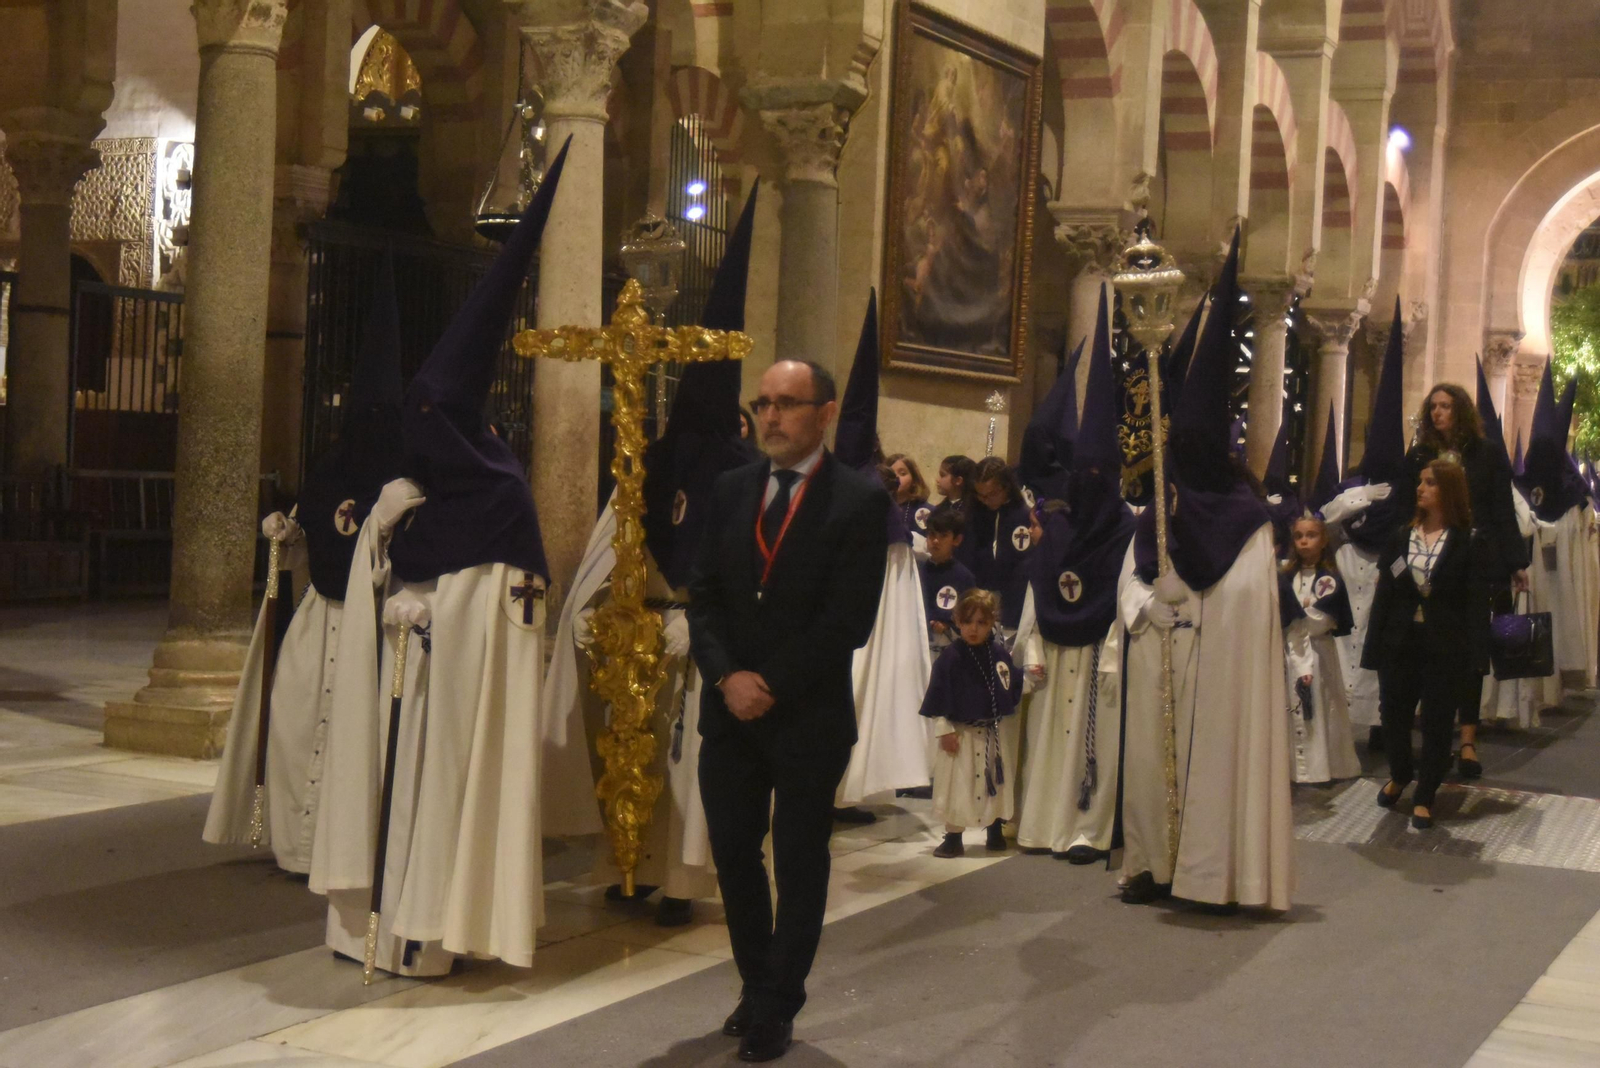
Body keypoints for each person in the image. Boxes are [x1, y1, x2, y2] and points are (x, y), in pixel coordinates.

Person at [311, 141, 588, 976]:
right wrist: (379, 539)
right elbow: (380, 572)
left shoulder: (501, 499)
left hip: (449, 705)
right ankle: (363, 925)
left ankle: (431, 935)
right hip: (402, 687)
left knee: (437, 809)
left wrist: (432, 613)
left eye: (433, 413)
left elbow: (498, 627)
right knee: (385, 796)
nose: (418, 426)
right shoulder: (420, 483)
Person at [558, 185, 764, 926]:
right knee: (628, 753)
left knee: (683, 763)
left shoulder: (743, 475)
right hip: (642, 626)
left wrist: (701, 618)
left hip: (696, 632)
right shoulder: (656, 453)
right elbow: (624, 526)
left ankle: (678, 883)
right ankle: (627, 869)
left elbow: (746, 566)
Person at [688, 359, 889, 1062]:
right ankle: (755, 982)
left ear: (825, 413)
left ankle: (780, 1003)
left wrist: (766, 681)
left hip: (807, 715)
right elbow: (703, 598)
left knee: (800, 861)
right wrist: (725, 678)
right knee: (736, 856)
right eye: (763, 403)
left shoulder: (859, 502)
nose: (770, 417)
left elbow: (847, 622)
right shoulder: (731, 489)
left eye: (788, 404)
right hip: (730, 716)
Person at [1114, 230, 1292, 912]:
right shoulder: (1164, 505)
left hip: (1215, 679)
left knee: (1209, 767)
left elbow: (1246, 609)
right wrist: (1144, 604)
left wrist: (1193, 609)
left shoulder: (1247, 521)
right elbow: (1131, 568)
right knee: (1150, 773)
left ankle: (1210, 871)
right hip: (1160, 656)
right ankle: (1153, 864)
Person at [205, 259, 404, 872]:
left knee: (352, 744)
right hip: (319, 620)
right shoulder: (330, 466)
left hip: (372, 630)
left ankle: (340, 851)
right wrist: (286, 536)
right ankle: (293, 846)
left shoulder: (407, 479)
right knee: (293, 730)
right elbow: (311, 536)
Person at [1014, 294, 1134, 861]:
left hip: (1097, 658)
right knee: (1047, 742)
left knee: (1092, 741)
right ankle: (1041, 823)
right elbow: (1040, 587)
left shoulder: (1124, 533)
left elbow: (1127, 595)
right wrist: (1031, 645)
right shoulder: (1057, 529)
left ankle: (1087, 828)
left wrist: (1113, 650)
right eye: (1080, 473)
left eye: (1098, 474)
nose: (1087, 483)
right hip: (1056, 654)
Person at [832, 294, 934, 816]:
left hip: (872, 600)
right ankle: (839, 786)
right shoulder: (863, 484)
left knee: (864, 689)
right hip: (856, 603)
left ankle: (847, 785)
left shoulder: (855, 483)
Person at [1399, 380, 1528, 778]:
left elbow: (1501, 508)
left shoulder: (1486, 452)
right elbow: (1408, 502)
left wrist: (1515, 562)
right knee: (1429, 646)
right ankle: (1430, 732)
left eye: (1446, 406)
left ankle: (1468, 740)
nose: (1437, 413)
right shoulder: (1420, 453)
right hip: (1429, 558)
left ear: (1461, 411)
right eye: (1433, 406)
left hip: (1475, 557)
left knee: (1472, 649)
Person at [1363, 458, 1490, 829]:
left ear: (1448, 491)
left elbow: (1475, 604)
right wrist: (1374, 647)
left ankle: (1425, 793)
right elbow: (1385, 593)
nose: (1421, 488)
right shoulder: (1401, 536)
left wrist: (1477, 655)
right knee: (1394, 717)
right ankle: (1401, 773)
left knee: (1436, 723)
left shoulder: (1468, 540)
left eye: (1430, 483)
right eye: (1420, 482)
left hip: (1445, 645)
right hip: (1400, 642)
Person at [1320, 300, 1406, 753]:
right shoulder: (1355, 492)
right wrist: (1360, 497)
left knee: (1373, 656)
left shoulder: (1406, 495)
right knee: (1344, 647)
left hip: (1382, 574)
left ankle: (1377, 726)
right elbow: (1326, 516)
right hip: (1352, 563)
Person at [1515, 366, 1598, 709]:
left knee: (1559, 622)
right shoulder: (1519, 487)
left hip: (1562, 576)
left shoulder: (1574, 497)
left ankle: (1557, 684)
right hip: (1529, 575)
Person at [920, 589, 1023, 858]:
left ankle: (994, 829)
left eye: (981, 623)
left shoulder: (998, 655)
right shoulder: (950, 658)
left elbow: (1010, 684)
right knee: (957, 787)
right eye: (967, 622)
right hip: (960, 735)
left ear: (992, 622)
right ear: (957, 620)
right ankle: (953, 836)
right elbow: (938, 697)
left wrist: (1030, 679)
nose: (973, 629)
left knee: (995, 784)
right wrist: (944, 731)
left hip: (990, 734)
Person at [1279, 514, 1361, 784]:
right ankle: (1290, 768)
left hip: (1318, 653)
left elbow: (1321, 620)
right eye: (1299, 536)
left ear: (1323, 539)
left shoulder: (1329, 578)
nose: (1304, 541)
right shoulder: (1285, 576)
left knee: (1318, 707)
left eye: (1311, 535)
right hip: (1287, 653)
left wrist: (1294, 618)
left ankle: (1320, 768)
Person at [963, 456, 1036, 634]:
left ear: (1007, 486)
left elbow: (1024, 565)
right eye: (980, 495)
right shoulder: (975, 515)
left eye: (992, 494)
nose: (986, 500)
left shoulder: (1025, 516)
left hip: (1013, 604)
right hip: (980, 598)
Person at [920, 505, 976, 650]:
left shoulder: (964, 577)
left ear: (956, 540)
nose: (936, 541)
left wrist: (948, 626)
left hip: (950, 648)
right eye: (931, 535)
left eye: (943, 536)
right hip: (919, 646)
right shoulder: (917, 572)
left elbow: (969, 617)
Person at [885, 452, 932, 541]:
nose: (896, 477)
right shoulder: (878, 507)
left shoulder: (926, 511)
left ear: (914, 480)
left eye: (902, 473)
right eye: (891, 473)